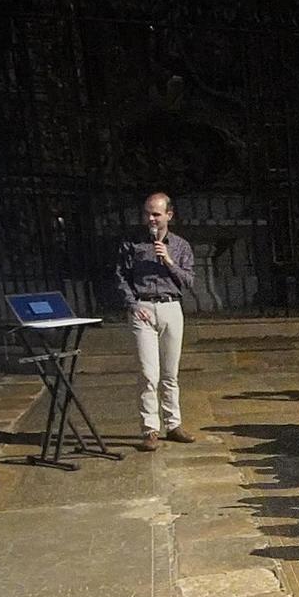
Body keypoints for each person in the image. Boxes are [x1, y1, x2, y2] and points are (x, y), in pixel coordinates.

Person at [116, 191, 197, 450]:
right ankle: (150, 429)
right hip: (144, 308)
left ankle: (173, 424)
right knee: (148, 373)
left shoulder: (181, 246)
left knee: (170, 373)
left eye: (156, 214)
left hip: (171, 307)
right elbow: (121, 276)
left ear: (168, 215)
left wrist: (168, 260)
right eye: (146, 213)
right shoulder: (132, 244)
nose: (150, 219)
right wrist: (132, 304)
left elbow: (188, 281)